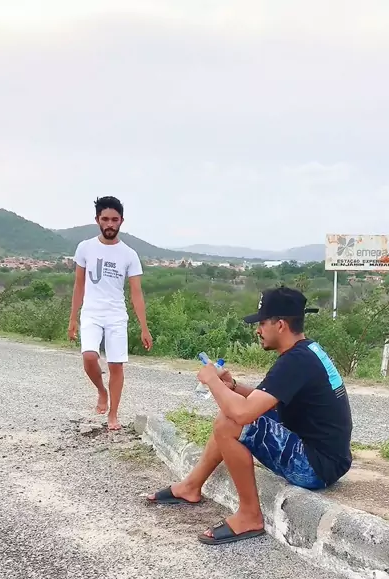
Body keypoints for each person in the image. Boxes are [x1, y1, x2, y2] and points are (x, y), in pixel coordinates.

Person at [148, 286, 352, 545]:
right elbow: (264, 401)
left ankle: (249, 516)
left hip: (314, 467)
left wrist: (212, 380)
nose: (257, 330)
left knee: (229, 422)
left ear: (280, 325)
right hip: (328, 458)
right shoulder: (306, 352)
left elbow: (243, 413)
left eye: (262, 323)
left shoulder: (294, 361)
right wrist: (231, 386)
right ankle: (190, 487)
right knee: (232, 414)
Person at [68, 196, 153, 430]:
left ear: (121, 221)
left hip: (116, 315)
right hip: (91, 312)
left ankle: (113, 414)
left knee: (116, 365)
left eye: (114, 219)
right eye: (105, 219)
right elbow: (79, 285)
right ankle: (101, 391)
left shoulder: (129, 254)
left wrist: (144, 327)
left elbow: (136, 293)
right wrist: (73, 317)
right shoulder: (85, 247)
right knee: (89, 356)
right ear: (97, 220)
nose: (110, 224)